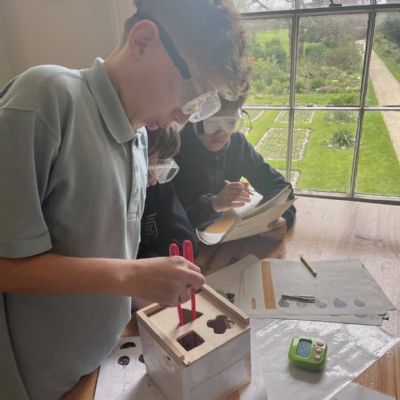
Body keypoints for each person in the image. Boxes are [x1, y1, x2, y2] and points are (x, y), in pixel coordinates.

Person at [0, 1, 248, 399]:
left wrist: (145, 289)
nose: (186, 116)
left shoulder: (140, 139)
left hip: (108, 362)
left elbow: (100, 254)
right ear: (142, 41)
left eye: (202, 103)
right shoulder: (45, 98)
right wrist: (133, 276)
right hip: (42, 384)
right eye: (191, 90)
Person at [174, 96, 296, 240]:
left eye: (230, 122)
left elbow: (280, 188)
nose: (221, 133)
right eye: (211, 123)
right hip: (187, 244)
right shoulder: (175, 150)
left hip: (229, 236)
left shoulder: (237, 143)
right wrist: (214, 204)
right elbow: (170, 219)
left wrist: (281, 218)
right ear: (195, 119)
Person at [137, 128, 198, 260]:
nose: (154, 179)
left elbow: (187, 241)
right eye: (149, 167)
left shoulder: (160, 187)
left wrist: (153, 263)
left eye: (161, 166)